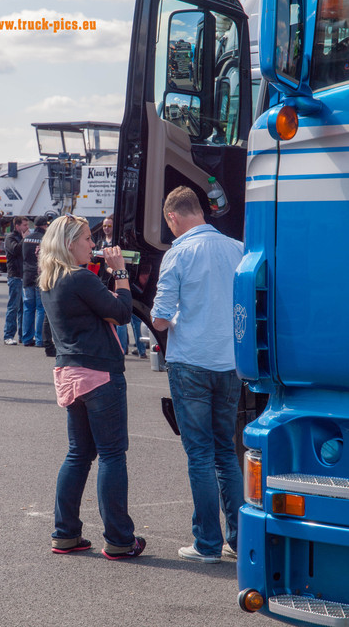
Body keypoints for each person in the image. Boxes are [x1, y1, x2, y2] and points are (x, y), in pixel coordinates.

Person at [39, 214, 145, 560]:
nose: (93, 244)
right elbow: (121, 311)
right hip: (99, 373)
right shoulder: (79, 277)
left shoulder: (52, 279)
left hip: (70, 373)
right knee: (112, 455)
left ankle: (65, 533)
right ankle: (119, 539)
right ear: (70, 243)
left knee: (79, 454)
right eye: (86, 238)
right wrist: (121, 272)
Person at [151, 186, 244, 563]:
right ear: (201, 211)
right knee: (227, 452)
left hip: (190, 360)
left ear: (173, 217)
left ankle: (206, 543)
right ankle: (239, 541)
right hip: (230, 362)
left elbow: (159, 316)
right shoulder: (238, 249)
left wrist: (177, 319)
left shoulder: (179, 253)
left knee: (200, 455)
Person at [96, 215, 128, 353]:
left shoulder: (117, 243)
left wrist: (114, 271)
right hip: (102, 280)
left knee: (120, 314)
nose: (106, 228)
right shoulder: (100, 242)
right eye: (104, 226)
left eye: (109, 226)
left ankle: (121, 347)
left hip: (116, 280)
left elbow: (121, 264)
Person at [3, 215, 30, 345]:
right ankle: (8, 335)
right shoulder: (10, 238)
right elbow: (15, 250)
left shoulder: (23, 238)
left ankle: (22, 335)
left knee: (24, 308)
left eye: (27, 225)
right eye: (24, 225)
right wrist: (24, 240)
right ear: (17, 226)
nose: (27, 227)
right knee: (13, 307)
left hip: (25, 277)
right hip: (15, 276)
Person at [22, 215, 47, 347]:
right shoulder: (45, 239)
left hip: (27, 277)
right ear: (44, 226)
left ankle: (26, 339)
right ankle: (39, 340)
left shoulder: (26, 239)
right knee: (41, 308)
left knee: (28, 308)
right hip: (40, 277)